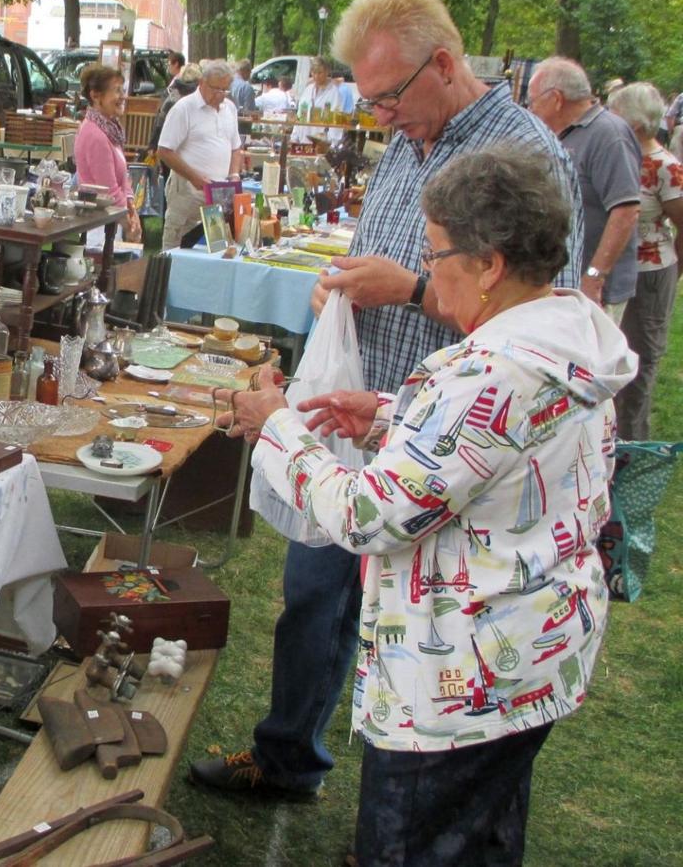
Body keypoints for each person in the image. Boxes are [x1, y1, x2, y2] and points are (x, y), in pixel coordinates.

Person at [191, 0, 583, 803]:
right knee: (313, 597)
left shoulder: (525, 155)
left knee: (413, 631)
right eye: (368, 102)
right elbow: (386, 253)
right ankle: (290, 755)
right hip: (371, 411)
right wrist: (339, 288)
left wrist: (406, 289)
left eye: (387, 99)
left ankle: (398, 809)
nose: (378, 119)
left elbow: (543, 313)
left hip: (454, 442)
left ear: (443, 63)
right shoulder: (411, 137)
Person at [217, 143, 635, 866]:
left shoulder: (497, 371)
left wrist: (276, 425)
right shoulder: (565, 333)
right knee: (480, 835)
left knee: (411, 845)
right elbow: (507, 450)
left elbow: (363, 515)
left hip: (464, 681)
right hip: (529, 652)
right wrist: (388, 415)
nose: (428, 270)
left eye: (436, 251)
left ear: (491, 264)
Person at [527, 57, 641, 318]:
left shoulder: (609, 134)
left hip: (594, 291)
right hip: (564, 282)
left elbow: (626, 210)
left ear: (556, 99)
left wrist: (594, 277)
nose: (531, 110)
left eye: (533, 102)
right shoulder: (558, 134)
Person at [607, 82, 683, 440]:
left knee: (641, 358)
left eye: (615, 114)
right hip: (611, 271)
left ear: (635, 124)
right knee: (609, 357)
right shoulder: (617, 156)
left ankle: (631, 443)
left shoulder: (665, 167)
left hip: (650, 275)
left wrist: (674, 271)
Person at [157, 60, 242, 250]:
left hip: (218, 193)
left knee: (215, 247)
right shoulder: (184, 108)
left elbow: (236, 148)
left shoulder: (229, 109)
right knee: (178, 244)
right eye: (215, 89)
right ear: (202, 83)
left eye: (225, 90)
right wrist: (193, 176)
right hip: (188, 190)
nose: (220, 95)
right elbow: (164, 150)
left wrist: (234, 175)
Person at [74, 63, 140, 241]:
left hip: (111, 221)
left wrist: (132, 208)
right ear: (96, 95)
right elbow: (108, 188)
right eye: (117, 91)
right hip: (97, 228)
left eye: (122, 90)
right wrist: (129, 224)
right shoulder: (95, 134)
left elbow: (122, 179)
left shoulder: (110, 131)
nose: (123, 96)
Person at [293, 56, 350, 143]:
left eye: (320, 73)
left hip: (321, 142)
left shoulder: (334, 93)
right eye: (314, 72)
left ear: (327, 72)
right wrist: (294, 137)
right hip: (302, 141)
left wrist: (331, 143)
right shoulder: (308, 90)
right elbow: (301, 114)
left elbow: (336, 122)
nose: (316, 76)